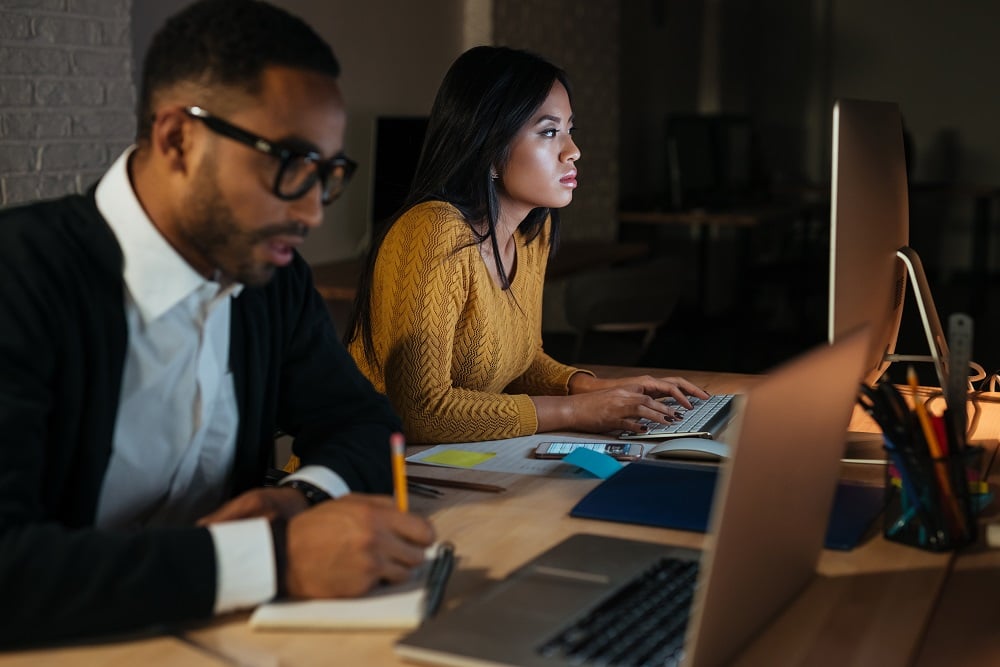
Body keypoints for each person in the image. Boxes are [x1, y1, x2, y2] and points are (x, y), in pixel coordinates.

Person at [0, 0, 434, 646]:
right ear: (178, 138)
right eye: (289, 163)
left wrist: (302, 498)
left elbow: (366, 424)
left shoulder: (269, 279)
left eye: (326, 174)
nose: (314, 211)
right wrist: (278, 557)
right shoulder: (21, 275)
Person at [344, 46, 709, 444]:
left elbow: (521, 363)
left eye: (570, 130)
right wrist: (574, 411)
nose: (573, 151)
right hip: (368, 473)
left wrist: (599, 389)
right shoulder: (434, 231)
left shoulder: (532, 231)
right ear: (489, 150)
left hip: (446, 468)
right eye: (549, 132)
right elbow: (418, 412)